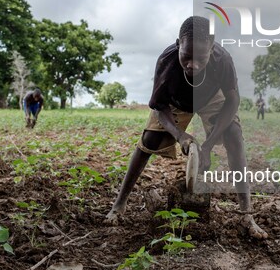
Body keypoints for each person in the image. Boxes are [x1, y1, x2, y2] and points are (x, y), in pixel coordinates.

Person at [106, 16, 268, 239]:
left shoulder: (223, 61)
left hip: (211, 97)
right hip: (176, 101)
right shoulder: (167, 61)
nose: (193, 64)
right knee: (149, 140)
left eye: (201, 58)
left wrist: (209, 144)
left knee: (234, 135)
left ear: (212, 49)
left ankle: (246, 213)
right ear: (177, 44)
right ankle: (119, 203)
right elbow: (160, 107)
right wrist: (179, 135)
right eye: (187, 56)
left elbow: (232, 101)